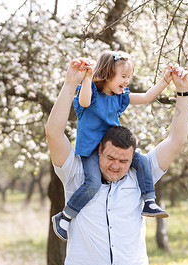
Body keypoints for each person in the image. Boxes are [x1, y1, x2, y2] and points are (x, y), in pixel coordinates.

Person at [45, 56, 188, 265]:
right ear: (99, 149)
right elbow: (53, 133)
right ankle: (64, 217)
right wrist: (71, 83)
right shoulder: (76, 174)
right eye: (111, 158)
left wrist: (183, 93)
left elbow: (177, 140)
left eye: (124, 161)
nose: (116, 166)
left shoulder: (140, 175)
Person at [52, 51, 174, 242]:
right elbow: (84, 101)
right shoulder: (90, 92)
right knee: (92, 183)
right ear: (107, 74)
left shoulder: (120, 97)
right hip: (92, 150)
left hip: (113, 147)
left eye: (129, 77)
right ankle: (65, 216)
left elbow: (146, 97)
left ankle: (149, 201)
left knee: (141, 161)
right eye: (123, 77)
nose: (127, 81)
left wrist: (165, 80)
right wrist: (86, 77)